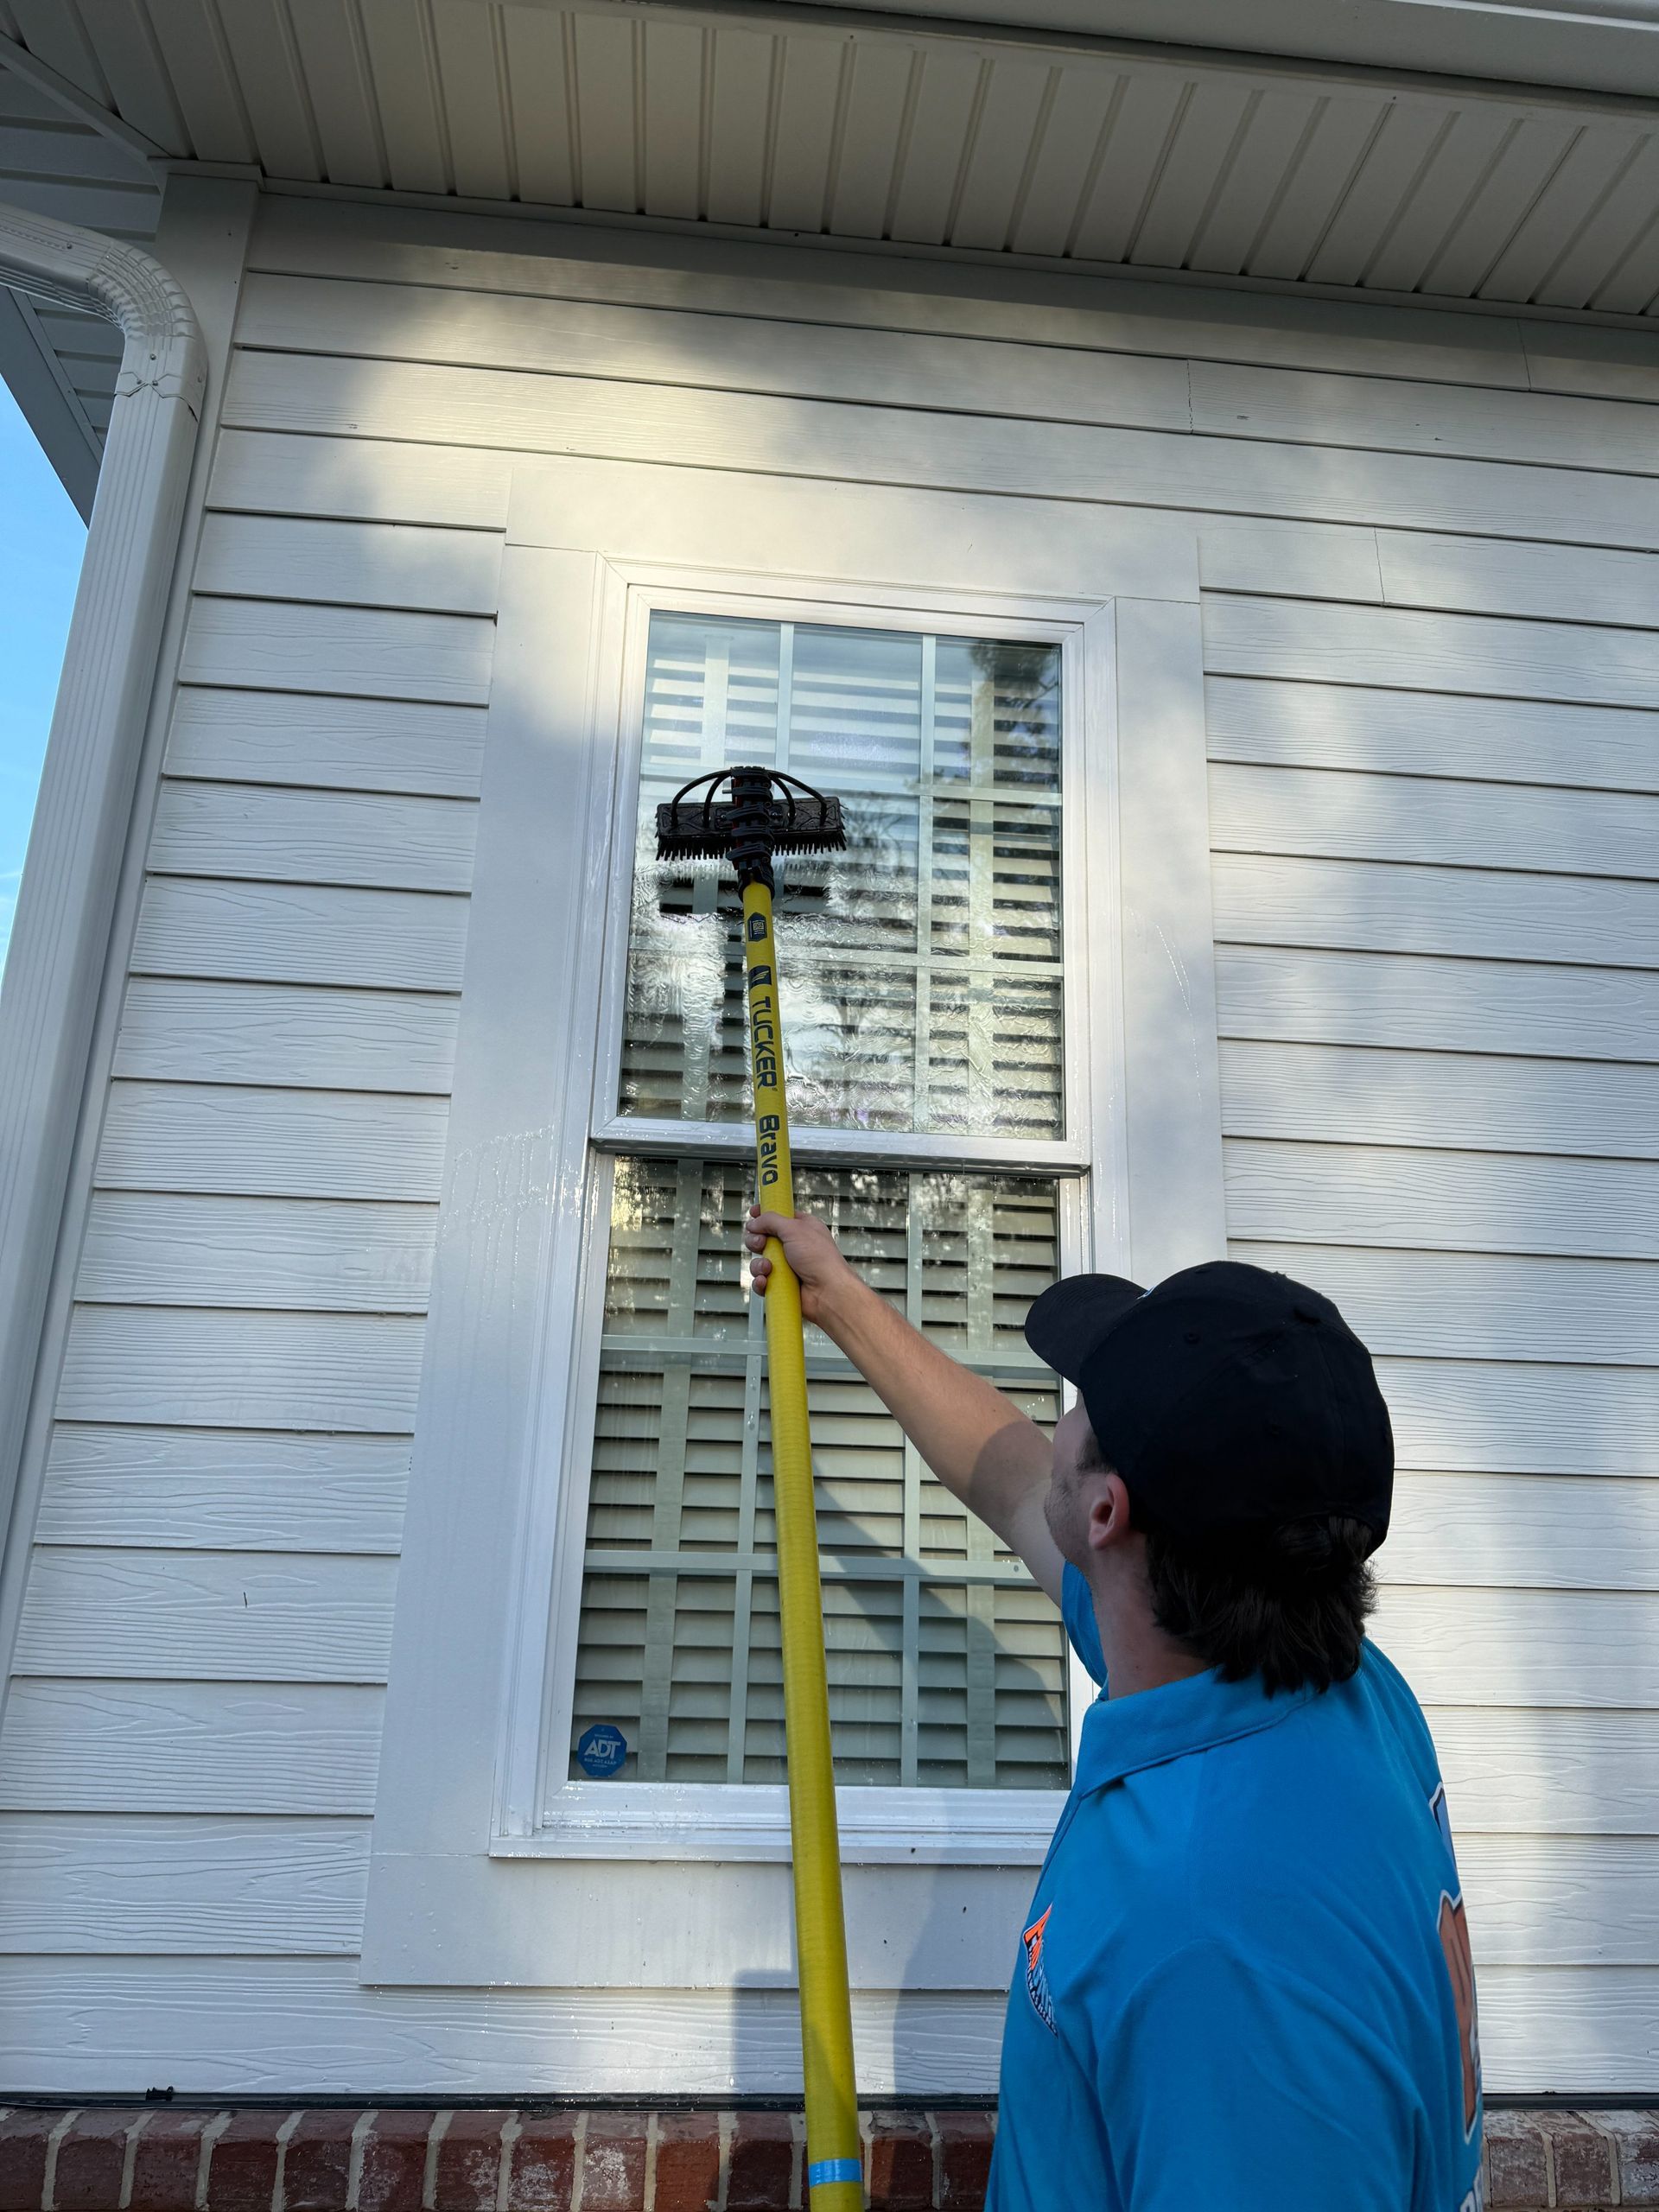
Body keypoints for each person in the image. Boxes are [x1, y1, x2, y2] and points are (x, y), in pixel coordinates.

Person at [744, 1209, 1484, 2212]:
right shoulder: (1313, 1676)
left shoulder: (1217, 1938)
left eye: (1085, 1400)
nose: (1061, 1417)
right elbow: (1011, 1476)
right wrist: (837, 1298)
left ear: (1109, 1514)